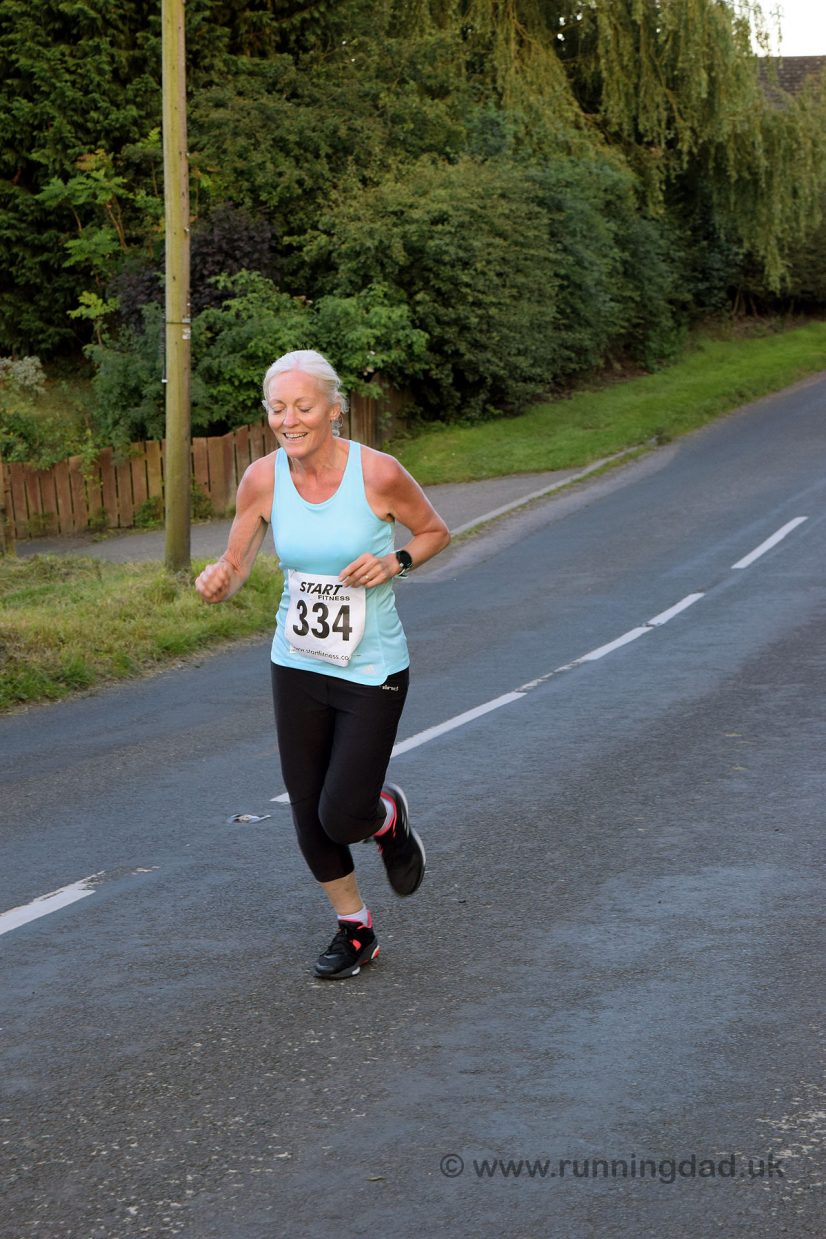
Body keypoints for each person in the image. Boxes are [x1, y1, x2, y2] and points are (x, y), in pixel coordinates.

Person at [195, 350, 450, 979]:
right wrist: (217, 581)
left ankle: (385, 819)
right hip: (299, 662)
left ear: (334, 409)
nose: (289, 419)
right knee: (309, 810)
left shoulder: (379, 475)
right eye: (278, 408)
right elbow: (235, 566)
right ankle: (355, 929)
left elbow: (434, 532)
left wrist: (395, 562)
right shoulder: (262, 479)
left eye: (303, 407)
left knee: (345, 812)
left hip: (372, 669)